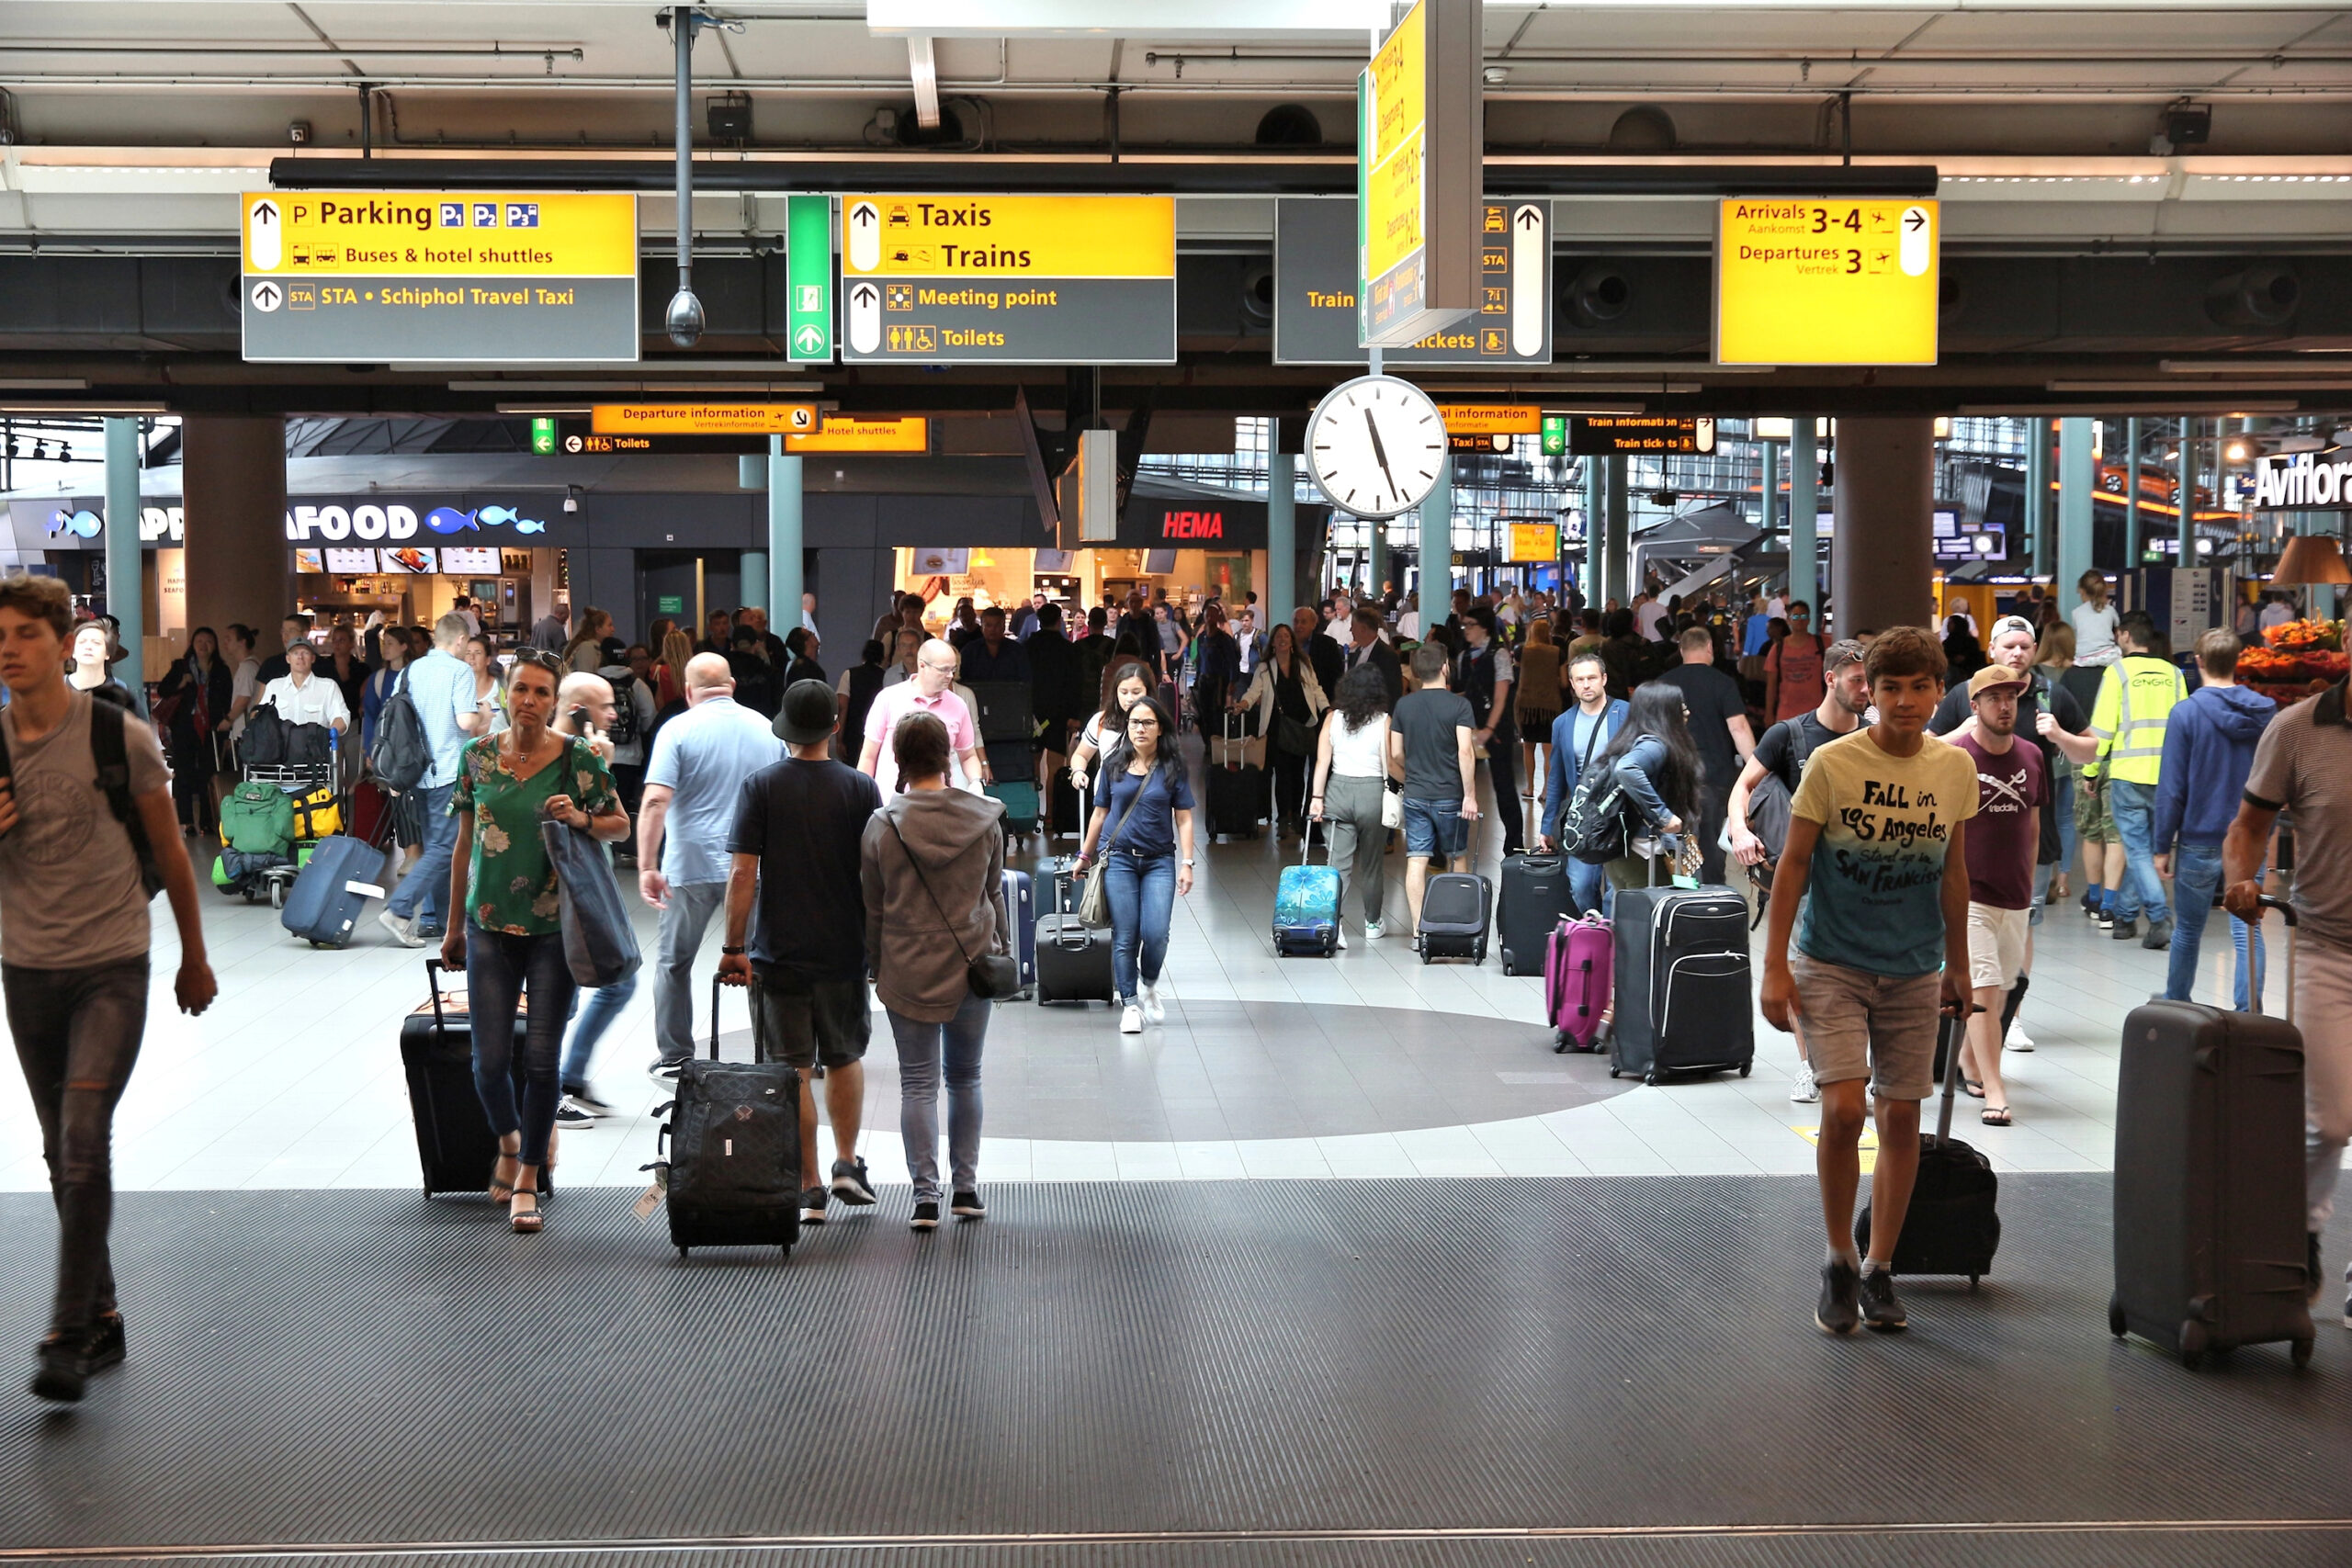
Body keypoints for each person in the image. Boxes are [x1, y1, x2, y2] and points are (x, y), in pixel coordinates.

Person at [0, 573, 216, 1402]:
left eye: (26, 634)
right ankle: (104, 1311)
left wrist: (194, 957)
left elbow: (171, 852)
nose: (10, 650)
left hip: (111, 961)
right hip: (28, 967)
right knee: (61, 1147)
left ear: (64, 644)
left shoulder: (115, 735)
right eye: (0, 637)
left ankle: (66, 1330)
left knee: (85, 1132)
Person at [1760, 626, 1976, 1337]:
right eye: (1890, 687)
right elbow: (1793, 864)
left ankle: (1880, 1265)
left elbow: (1953, 872)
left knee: (1902, 1116)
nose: (1905, 700)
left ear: (1938, 692)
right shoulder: (1832, 762)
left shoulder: (1954, 768)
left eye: (1919, 687)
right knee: (1846, 1109)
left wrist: (1959, 965)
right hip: (1832, 962)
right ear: (1869, 692)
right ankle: (1838, 1258)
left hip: (1915, 968)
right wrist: (1775, 965)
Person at [437, 650, 627, 1235]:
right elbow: (463, 845)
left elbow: (619, 822)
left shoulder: (578, 759)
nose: (529, 701)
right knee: (489, 1063)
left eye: (542, 693)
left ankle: (526, 1176)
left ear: (554, 702)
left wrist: (580, 819)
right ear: (505, 694)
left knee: (542, 1062)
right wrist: (452, 926)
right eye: (521, 689)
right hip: (488, 924)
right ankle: (510, 1139)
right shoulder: (477, 757)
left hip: (553, 930)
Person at [721, 679, 886, 1224]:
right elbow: (873, 872)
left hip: (779, 952)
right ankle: (847, 1163)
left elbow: (743, 872)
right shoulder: (861, 788)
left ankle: (809, 1184)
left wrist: (733, 946)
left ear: (784, 729)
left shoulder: (761, 787)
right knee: (844, 1056)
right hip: (843, 947)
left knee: (791, 1069)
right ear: (835, 727)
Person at [2223, 673, 2352, 1320]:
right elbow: (2249, 825)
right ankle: (2300, 1229)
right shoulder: (2298, 729)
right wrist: (2242, 877)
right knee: (2329, 1121)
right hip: (2327, 947)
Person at [863, 710, 1010, 1229]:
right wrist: (1002, 948)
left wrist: (876, 966)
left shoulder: (882, 825)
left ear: (898, 759)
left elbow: (874, 907)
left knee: (918, 1084)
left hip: (907, 967)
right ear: (947, 756)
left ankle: (925, 1199)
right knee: (966, 1077)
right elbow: (994, 892)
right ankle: (965, 1189)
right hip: (972, 963)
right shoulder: (986, 819)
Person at [1925, 615, 2098, 1052]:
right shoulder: (1967, 694)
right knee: (1968, 931)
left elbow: (2090, 749)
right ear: (1992, 650)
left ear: (2035, 651)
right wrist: (1959, 733)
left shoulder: (2049, 694)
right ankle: (1967, 1035)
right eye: (2009, 645)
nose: (2017, 653)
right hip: (1968, 840)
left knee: (2024, 923)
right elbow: (1923, 750)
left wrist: (2059, 734)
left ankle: (2010, 1017)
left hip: (2029, 831)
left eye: (2025, 646)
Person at [1727, 637, 1869, 1102]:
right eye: (1857, 680)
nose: (1866, 690)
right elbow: (1743, 787)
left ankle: (1858, 1067)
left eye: (1869, 681)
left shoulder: (1875, 734)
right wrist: (1740, 830)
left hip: (1863, 878)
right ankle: (1810, 1065)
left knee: (1863, 973)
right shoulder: (1789, 735)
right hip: (1806, 877)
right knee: (1804, 974)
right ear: (1831, 679)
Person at [639, 653, 786, 1081]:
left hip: (690, 864)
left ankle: (675, 1056)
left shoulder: (677, 729)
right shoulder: (767, 729)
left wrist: (647, 864)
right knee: (760, 962)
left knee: (673, 963)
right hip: (753, 865)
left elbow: (655, 800)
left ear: (688, 691)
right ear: (732, 686)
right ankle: (772, 1057)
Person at [1948, 665, 2047, 1129]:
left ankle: (1970, 1060)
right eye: (1994, 698)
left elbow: (2032, 825)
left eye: (2011, 697)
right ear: (1975, 706)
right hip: (1969, 894)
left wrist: (2028, 882)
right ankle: (1995, 1086)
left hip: (2015, 894)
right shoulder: (1957, 758)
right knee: (1983, 987)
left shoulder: (2031, 755)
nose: (2005, 706)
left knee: (2004, 988)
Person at [2154, 629, 2273, 1010]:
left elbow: (2172, 787)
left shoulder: (2186, 713)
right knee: (2248, 928)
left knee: (2189, 929)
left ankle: (2177, 1004)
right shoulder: (2266, 712)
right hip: (2250, 837)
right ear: (2238, 662)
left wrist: (2161, 846)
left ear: (2199, 661)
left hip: (2199, 836)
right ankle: (2249, 1010)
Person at [1071, 696, 1195, 1034]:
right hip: (1119, 858)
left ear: (1160, 728)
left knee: (1156, 934)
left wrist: (1187, 862)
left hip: (1159, 860)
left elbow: (1184, 818)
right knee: (1126, 934)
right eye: (1135, 722)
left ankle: (1149, 982)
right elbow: (1100, 814)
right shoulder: (1113, 764)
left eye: (1148, 722)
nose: (1140, 728)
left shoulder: (1173, 766)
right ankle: (1129, 1004)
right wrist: (1084, 856)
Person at [545, 671, 634, 1129]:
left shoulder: (586, 752)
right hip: (561, 892)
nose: (614, 714)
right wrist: (601, 768)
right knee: (567, 994)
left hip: (584, 885)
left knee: (618, 981)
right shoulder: (565, 756)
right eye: (605, 705)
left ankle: (569, 1079)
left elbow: (618, 826)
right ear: (578, 711)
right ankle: (554, 1090)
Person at [379, 615, 493, 946]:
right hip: (448, 772)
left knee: (441, 848)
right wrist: (484, 713)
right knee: (446, 849)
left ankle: (448, 924)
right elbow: (465, 721)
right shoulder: (459, 671)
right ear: (460, 640)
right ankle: (399, 910)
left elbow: (396, 716)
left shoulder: (411, 671)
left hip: (417, 774)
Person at [2088, 612, 2185, 946]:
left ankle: (2159, 917)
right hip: (2167, 776)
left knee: (2138, 851)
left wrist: (2090, 770)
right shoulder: (2174, 674)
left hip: (2128, 774)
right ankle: (2126, 916)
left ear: (2126, 636)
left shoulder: (2117, 672)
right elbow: (2185, 725)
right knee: (2144, 849)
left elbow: (2102, 728)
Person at [1653, 623, 1754, 886]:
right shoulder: (1723, 683)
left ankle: (1683, 893)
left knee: (1678, 843)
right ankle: (1711, 897)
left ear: (1681, 650)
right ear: (1709, 647)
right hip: (1713, 776)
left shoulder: (1663, 684)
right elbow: (1739, 728)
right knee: (1709, 845)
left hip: (1673, 776)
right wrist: (1755, 770)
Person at [1391, 641, 1479, 937]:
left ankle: (1419, 930)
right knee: (1457, 856)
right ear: (1445, 668)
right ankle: (1459, 924)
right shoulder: (1460, 705)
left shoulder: (1404, 705)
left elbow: (1395, 753)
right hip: (1450, 795)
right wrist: (1470, 795)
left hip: (1415, 794)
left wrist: (1414, 773)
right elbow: (1465, 751)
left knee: (1417, 859)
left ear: (1416, 672)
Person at [1309, 665, 1401, 946]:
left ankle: (1333, 924)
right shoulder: (1384, 721)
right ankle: (1372, 922)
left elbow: (1322, 761)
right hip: (1372, 795)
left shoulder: (1333, 718)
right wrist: (1413, 781)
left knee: (1337, 865)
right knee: (1372, 865)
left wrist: (1316, 798)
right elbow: (1392, 765)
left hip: (1337, 792)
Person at [1585, 683, 1701, 903]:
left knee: (1628, 917)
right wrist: (1663, 815)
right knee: (1650, 918)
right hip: (1645, 856)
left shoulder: (1629, 740)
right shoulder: (1655, 745)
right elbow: (1627, 769)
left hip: (1621, 853)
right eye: (1680, 705)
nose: (1686, 711)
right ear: (1664, 712)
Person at [1538, 649, 1630, 916]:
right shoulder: (1563, 723)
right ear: (1572, 683)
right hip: (1582, 816)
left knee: (1617, 889)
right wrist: (1547, 826)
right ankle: (1595, 925)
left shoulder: (1626, 713)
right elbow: (1556, 778)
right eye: (1580, 679)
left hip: (1620, 815)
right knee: (1580, 885)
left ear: (1604, 679)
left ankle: (1610, 933)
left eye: (1592, 678)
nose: (1586, 684)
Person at [1235, 622, 1329, 841]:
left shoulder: (1303, 665)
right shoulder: (1265, 667)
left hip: (1302, 726)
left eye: (1286, 636)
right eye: (1279, 637)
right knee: (1282, 774)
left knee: (1298, 774)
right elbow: (1254, 690)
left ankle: (1295, 815)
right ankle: (1284, 819)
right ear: (1273, 643)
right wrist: (1244, 704)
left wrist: (1327, 709)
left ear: (1292, 641)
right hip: (1276, 727)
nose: (1283, 640)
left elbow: (1316, 689)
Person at [860, 637, 984, 796]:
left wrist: (976, 781)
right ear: (922, 665)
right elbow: (868, 756)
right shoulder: (888, 698)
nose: (950, 675)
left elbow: (968, 755)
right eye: (944, 670)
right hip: (891, 801)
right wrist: (862, 795)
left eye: (953, 669)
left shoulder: (958, 704)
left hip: (940, 802)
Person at [1454, 608, 1523, 857]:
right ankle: (1455, 841)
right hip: (1467, 727)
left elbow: (1501, 696)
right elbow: (1464, 691)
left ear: (1484, 627)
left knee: (1504, 786)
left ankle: (1514, 844)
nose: (1466, 629)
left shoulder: (1499, 654)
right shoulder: (1463, 656)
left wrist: (1489, 728)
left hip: (1495, 729)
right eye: (1464, 624)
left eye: (1471, 624)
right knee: (1458, 784)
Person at [155, 626, 232, 835]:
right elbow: (163, 690)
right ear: (192, 644)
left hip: (211, 729)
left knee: (208, 774)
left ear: (215, 645)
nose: (203, 645)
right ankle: (186, 821)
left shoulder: (221, 670)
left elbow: (227, 701)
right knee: (183, 773)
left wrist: (226, 731)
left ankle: (207, 821)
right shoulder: (181, 666)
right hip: (184, 727)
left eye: (208, 641)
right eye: (199, 641)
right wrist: (181, 683)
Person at [1070, 660, 1154, 797]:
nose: (1129, 699)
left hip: (1147, 801)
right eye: (1124, 692)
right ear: (1116, 693)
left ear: (1147, 692)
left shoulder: (1158, 723)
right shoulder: (1101, 721)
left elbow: (1170, 765)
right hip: (1106, 801)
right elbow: (1081, 755)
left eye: (1136, 692)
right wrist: (1078, 771)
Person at [1515, 617, 1562, 809]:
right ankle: (1546, 790)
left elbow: (1518, 673)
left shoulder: (1522, 651)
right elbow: (1564, 682)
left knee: (1528, 747)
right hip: (1550, 705)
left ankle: (1530, 787)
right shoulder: (1557, 652)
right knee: (1548, 749)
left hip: (1527, 705)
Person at [258, 638, 351, 736]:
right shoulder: (274, 686)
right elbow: (261, 717)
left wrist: (327, 735)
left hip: (315, 744)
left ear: (313, 658)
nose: (300, 657)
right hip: (280, 744)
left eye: (305, 653)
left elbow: (342, 717)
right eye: (295, 653)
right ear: (288, 659)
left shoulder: (328, 687)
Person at [1763, 601, 1826, 724]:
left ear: (1809, 620)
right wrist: (1769, 713)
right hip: (1786, 713)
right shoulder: (1778, 648)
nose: (1800, 620)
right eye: (1796, 617)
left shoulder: (1822, 644)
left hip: (1817, 713)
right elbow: (1771, 685)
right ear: (1789, 620)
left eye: (1804, 616)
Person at [835, 637, 890, 767]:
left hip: (852, 734)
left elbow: (842, 707)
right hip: (877, 736)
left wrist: (839, 740)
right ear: (882, 657)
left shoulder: (849, 674)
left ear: (863, 654)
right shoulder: (886, 677)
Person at [1339, 604, 1403, 705]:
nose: (1351, 630)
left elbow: (1393, 692)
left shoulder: (1387, 655)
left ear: (1363, 629)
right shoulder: (1357, 652)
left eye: (1353, 626)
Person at [66, 622, 134, 710]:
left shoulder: (122, 692)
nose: (88, 647)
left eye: (96, 643)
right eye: (82, 642)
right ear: (73, 652)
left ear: (107, 653)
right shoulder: (56, 688)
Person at [958, 605, 1031, 685]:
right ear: (982, 627)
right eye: (988, 625)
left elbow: (1026, 681)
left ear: (1004, 627)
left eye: (997, 625)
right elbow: (961, 680)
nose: (993, 629)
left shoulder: (1017, 651)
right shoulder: (969, 651)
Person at [727, 625, 781, 719]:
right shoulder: (769, 672)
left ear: (732, 645)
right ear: (756, 645)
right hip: (762, 723)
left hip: (730, 723)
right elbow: (778, 705)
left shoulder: (723, 672)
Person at [2072, 570, 2120, 668]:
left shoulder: (2076, 612)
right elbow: (2118, 632)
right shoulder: (2110, 610)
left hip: (2083, 659)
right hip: (2108, 657)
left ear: (2082, 591)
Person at [1296, 604, 1345, 700]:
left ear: (1313, 624)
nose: (1299, 626)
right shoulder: (1287, 644)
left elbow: (1336, 676)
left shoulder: (1327, 644)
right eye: (1296, 621)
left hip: (1321, 699)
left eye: (1303, 622)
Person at [462, 634, 507, 735]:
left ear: (488, 660)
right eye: (467, 653)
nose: (472, 657)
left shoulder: (502, 687)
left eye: (478, 653)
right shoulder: (458, 692)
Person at [254, 612, 311, 685]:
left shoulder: (322, 665)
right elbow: (262, 692)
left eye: (291, 631)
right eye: (283, 631)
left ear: (305, 634)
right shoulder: (271, 664)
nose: (285, 635)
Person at [1940, 614, 1986, 692]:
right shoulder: (1947, 642)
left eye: (1951, 623)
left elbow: (1976, 657)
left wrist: (1965, 658)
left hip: (1968, 671)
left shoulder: (1971, 641)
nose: (1948, 625)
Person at [562, 607, 615, 675]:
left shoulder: (598, 648)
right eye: (609, 625)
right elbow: (586, 677)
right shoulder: (587, 647)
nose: (613, 629)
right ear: (598, 629)